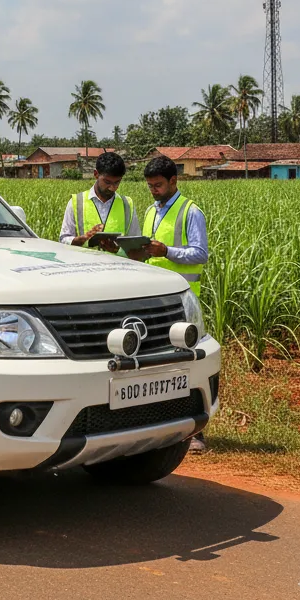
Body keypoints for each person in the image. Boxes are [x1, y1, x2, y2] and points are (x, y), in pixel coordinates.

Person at [128, 154, 210, 454]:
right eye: (150, 186)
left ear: (174, 181)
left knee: (187, 364)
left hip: (182, 300)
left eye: (158, 185)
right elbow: (149, 250)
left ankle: (196, 434)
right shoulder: (150, 211)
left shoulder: (190, 212)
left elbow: (200, 254)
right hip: (153, 300)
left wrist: (167, 251)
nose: (153, 191)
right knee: (154, 365)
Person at [59, 152, 137, 252]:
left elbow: (135, 244)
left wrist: (118, 250)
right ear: (96, 174)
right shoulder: (77, 202)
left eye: (117, 182)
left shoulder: (127, 204)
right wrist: (80, 240)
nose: (112, 188)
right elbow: (63, 239)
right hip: (85, 266)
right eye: (107, 182)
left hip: (117, 266)